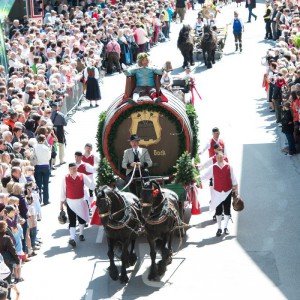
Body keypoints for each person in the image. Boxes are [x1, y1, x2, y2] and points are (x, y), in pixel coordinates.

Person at [200, 152, 238, 237]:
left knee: (227, 210)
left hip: (227, 192)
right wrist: (196, 179)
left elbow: (234, 180)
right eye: (218, 158)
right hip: (217, 193)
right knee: (218, 210)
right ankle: (219, 228)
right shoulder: (213, 167)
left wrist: (237, 193)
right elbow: (204, 176)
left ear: (223, 157)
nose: (220, 159)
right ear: (216, 158)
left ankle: (225, 227)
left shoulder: (229, 167)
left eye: (221, 157)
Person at [60, 163, 95, 247]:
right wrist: (61, 204)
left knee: (81, 219)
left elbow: (91, 185)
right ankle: (72, 239)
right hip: (70, 202)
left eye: (75, 168)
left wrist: (98, 189)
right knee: (72, 220)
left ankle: (81, 234)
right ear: (69, 169)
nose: (74, 170)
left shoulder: (82, 176)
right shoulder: (65, 178)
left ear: (77, 168)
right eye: (72, 168)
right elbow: (62, 191)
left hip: (81, 201)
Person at [34, 135, 51, 206]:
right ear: (44, 140)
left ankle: (39, 200)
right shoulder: (46, 148)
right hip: (45, 166)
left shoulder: (35, 147)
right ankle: (46, 200)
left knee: (38, 184)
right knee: (46, 184)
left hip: (38, 166)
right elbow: (49, 157)